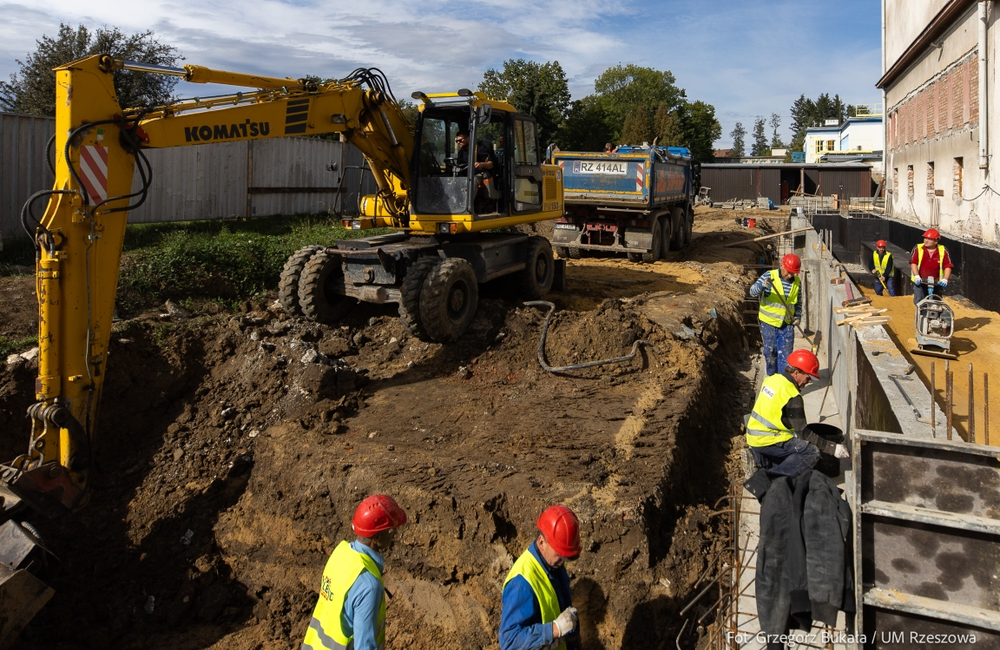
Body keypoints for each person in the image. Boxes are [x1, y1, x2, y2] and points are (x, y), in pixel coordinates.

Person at [302, 494, 408, 650]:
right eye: (392, 530)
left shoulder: (341, 554)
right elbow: (365, 646)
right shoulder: (369, 586)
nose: (396, 534)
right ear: (377, 536)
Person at [745, 349, 849, 482]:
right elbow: (803, 433)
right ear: (796, 373)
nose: (809, 381)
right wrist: (832, 448)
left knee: (793, 459)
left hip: (754, 437)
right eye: (808, 377)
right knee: (810, 452)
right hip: (768, 439)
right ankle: (770, 479)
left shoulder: (772, 380)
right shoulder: (792, 396)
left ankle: (758, 459)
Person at [500, 505, 582, 650]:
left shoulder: (554, 564)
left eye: (566, 557)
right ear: (542, 542)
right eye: (560, 555)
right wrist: (554, 629)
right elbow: (509, 641)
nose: (563, 562)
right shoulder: (522, 583)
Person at [750, 253, 803, 376]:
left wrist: (797, 317)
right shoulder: (769, 276)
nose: (790, 276)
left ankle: (783, 381)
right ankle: (771, 378)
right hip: (769, 323)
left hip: (787, 325)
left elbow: (798, 302)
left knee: (786, 356)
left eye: (793, 273)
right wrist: (761, 287)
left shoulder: (797, 282)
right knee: (770, 353)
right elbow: (752, 292)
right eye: (788, 272)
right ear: (781, 266)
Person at [909, 228, 953, 304]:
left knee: (936, 304)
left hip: (936, 283)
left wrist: (945, 279)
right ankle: (922, 315)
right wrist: (916, 276)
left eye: (929, 239)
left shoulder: (943, 250)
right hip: (920, 282)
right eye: (925, 238)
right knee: (920, 302)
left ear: (936, 241)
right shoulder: (918, 248)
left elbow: (948, 266)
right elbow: (913, 263)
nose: (926, 240)